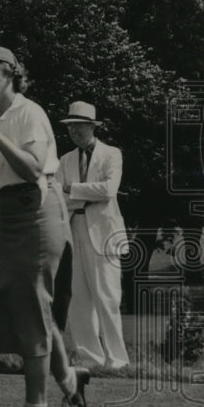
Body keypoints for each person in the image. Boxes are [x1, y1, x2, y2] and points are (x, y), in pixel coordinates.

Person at [0, 46, 89, 407]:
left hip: (37, 207)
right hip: (10, 211)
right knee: (27, 304)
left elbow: (33, 168)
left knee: (32, 305)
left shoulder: (29, 113)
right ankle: (68, 380)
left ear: (12, 73)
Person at [56, 101, 130, 370]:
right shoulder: (64, 160)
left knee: (108, 297)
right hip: (74, 230)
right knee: (79, 300)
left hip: (105, 234)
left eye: (78, 126)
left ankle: (118, 361)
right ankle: (89, 359)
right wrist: (82, 195)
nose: (74, 131)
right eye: (70, 127)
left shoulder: (112, 154)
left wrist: (72, 189)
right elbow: (58, 197)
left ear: (91, 126)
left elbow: (109, 190)